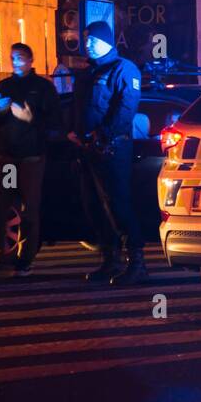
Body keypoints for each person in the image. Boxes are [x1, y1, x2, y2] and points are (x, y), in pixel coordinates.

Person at [72, 21, 147, 286]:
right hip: (87, 149)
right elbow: (79, 108)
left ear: (106, 40)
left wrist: (103, 134)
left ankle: (137, 263)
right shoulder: (87, 73)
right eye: (86, 39)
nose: (88, 44)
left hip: (112, 147)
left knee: (117, 205)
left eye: (92, 39)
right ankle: (110, 260)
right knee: (93, 206)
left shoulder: (124, 69)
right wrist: (73, 132)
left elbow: (126, 108)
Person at [0, 43, 61, 276]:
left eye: (19, 57)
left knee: (29, 210)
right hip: (8, 158)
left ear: (30, 59)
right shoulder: (4, 85)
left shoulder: (43, 87)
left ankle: (25, 259)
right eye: (12, 57)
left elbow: (55, 122)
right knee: (1, 206)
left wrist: (30, 118)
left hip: (31, 158)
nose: (15, 61)